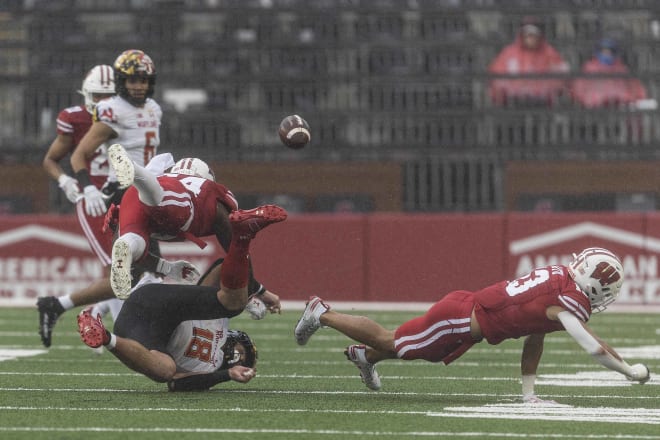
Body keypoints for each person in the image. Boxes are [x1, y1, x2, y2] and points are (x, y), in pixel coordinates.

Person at [294, 247, 651, 401]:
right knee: (395, 342)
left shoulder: (559, 281)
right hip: (458, 320)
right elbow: (594, 348)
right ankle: (322, 313)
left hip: (466, 319)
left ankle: (365, 358)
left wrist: (529, 395)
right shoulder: (565, 304)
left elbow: (534, 336)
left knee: (424, 353)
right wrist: (628, 371)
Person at [77, 204, 287, 390]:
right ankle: (241, 238)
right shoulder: (220, 320)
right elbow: (222, 267)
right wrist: (254, 291)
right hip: (159, 303)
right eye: (243, 352)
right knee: (233, 302)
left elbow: (177, 383)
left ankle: (102, 335)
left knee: (166, 370)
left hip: (137, 334)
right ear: (239, 337)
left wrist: (226, 375)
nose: (237, 356)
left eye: (241, 360)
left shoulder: (210, 369)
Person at [105, 144, 287, 300]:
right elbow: (236, 251)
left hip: (133, 196)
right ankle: (135, 170)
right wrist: (255, 290)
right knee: (159, 198)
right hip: (174, 198)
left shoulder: (164, 176)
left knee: (133, 241)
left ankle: (128, 240)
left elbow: (132, 256)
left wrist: (167, 268)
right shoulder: (206, 190)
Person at [38, 64, 119, 348]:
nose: (103, 101)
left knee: (138, 271)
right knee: (120, 272)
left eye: (109, 95)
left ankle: (85, 311)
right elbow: (51, 159)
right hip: (95, 201)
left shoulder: (130, 117)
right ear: (86, 94)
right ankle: (90, 316)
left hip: (126, 199)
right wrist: (65, 182)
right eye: (97, 95)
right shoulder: (74, 118)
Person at [71, 49, 161, 219]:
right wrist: (88, 188)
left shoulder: (153, 108)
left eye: (144, 80)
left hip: (149, 187)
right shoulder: (113, 110)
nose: (139, 86)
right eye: (132, 81)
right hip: (123, 190)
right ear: (121, 81)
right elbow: (79, 155)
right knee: (135, 243)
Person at [488, 17, 569, 107]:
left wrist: (545, 88)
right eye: (528, 35)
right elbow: (497, 74)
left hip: (542, 100)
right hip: (514, 101)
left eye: (534, 36)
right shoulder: (509, 53)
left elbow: (561, 74)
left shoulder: (550, 53)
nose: (531, 39)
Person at [571, 38, 648, 108]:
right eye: (604, 52)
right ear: (598, 52)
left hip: (620, 106)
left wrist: (636, 98)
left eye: (609, 52)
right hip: (595, 107)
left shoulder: (621, 68)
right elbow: (579, 87)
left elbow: (635, 86)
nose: (607, 54)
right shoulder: (589, 68)